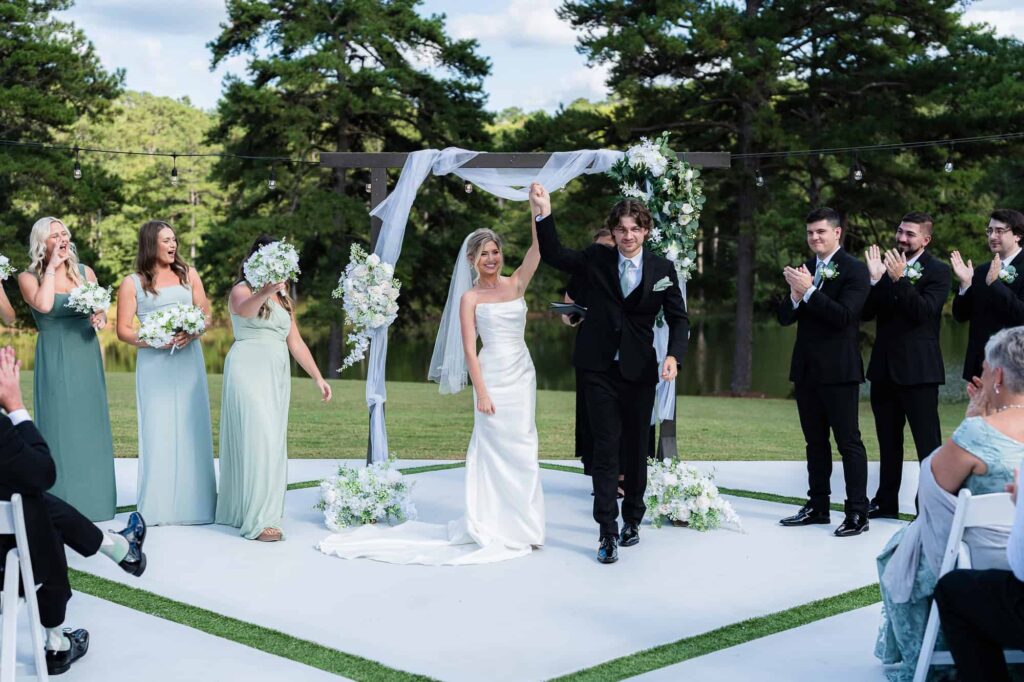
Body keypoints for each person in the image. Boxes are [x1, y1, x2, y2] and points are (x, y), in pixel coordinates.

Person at [318, 213, 545, 565]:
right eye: (484, 254)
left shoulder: (515, 285)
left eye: (495, 252)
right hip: (493, 376)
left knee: (525, 446)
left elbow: (538, 248)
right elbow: (470, 350)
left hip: (522, 375)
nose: (491, 259)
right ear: (472, 260)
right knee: (493, 448)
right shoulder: (469, 298)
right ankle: (491, 523)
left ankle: (526, 527)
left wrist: (537, 211)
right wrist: (481, 392)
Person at [534, 183, 689, 564]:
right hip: (597, 368)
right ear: (614, 232)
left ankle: (633, 518)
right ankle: (607, 531)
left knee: (637, 448)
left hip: (640, 372)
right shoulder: (595, 259)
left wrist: (673, 356)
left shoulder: (662, 270)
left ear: (646, 231)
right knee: (605, 448)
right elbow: (554, 253)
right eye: (621, 229)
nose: (628, 235)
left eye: (635, 228)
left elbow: (679, 318)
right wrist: (543, 212)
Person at [880, 326, 1024, 681]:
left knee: (901, 546)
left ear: (999, 376)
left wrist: (973, 421)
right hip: (1012, 561)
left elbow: (931, 487)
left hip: (980, 558)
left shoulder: (978, 433)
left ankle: (934, 662)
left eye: (986, 368)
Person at [0, 345, 146, 676]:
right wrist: (16, 408)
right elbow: (43, 472)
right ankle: (57, 643)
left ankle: (118, 549)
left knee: (27, 501)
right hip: (9, 575)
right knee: (32, 505)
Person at [215, 235, 332, 542]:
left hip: (276, 373)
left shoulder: (283, 297)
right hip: (247, 368)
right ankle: (258, 521)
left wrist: (318, 377)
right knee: (259, 439)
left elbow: (295, 341)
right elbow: (245, 312)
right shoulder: (243, 290)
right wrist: (265, 290)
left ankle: (260, 511)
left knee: (272, 442)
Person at [115, 221, 216, 525]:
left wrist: (194, 332)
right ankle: (158, 508)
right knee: (157, 429)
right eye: (166, 240)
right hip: (154, 364)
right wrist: (153, 340)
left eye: (174, 239)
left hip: (189, 360)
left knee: (191, 426)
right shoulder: (132, 282)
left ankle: (197, 506)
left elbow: (206, 315)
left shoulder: (189, 275)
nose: (173, 245)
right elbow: (122, 330)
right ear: (151, 244)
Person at [778, 207, 871, 537]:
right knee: (814, 442)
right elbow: (784, 318)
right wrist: (794, 295)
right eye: (810, 233)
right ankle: (817, 506)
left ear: (837, 233)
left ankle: (857, 512)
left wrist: (811, 292)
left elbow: (845, 317)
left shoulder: (855, 270)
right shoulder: (805, 269)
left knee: (848, 442)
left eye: (820, 232)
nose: (814, 237)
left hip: (840, 370)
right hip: (806, 369)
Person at [17, 217, 115, 521]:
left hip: (85, 354)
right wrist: (51, 267)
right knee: (61, 427)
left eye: (63, 234)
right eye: (53, 235)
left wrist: (99, 319)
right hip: (55, 357)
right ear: (42, 243)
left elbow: (101, 315)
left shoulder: (85, 272)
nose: (61, 239)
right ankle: (61, 503)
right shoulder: (28, 277)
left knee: (90, 425)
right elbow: (44, 306)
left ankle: (97, 502)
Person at [862, 212, 951, 519]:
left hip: (920, 372)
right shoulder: (886, 268)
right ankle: (885, 501)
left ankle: (927, 506)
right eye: (900, 231)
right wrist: (876, 280)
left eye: (909, 234)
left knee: (928, 446)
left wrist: (899, 280)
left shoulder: (939, 271)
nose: (901, 238)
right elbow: (866, 312)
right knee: (888, 443)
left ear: (925, 239)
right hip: (884, 370)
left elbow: (923, 312)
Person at [562, 228, 616, 482]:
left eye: (607, 247)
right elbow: (566, 313)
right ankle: (597, 470)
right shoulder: (581, 274)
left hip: (619, 351)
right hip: (589, 349)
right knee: (590, 412)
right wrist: (575, 314)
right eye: (598, 248)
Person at [951, 208, 1024, 383]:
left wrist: (995, 285)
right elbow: (960, 316)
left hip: (1015, 366)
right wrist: (965, 285)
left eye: (1000, 231)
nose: (992, 237)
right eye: (990, 231)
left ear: (1017, 235)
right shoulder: (983, 270)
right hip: (980, 366)